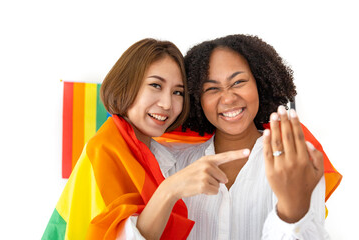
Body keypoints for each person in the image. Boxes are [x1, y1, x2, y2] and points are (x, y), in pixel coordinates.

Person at [126, 34, 341, 239]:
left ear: (260, 83)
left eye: (238, 82)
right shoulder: (171, 165)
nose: (228, 99)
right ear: (197, 98)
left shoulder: (296, 162)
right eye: (211, 88)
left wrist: (292, 211)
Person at [42, 38, 251, 240]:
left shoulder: (161, 155)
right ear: (126, 86)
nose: (167, 104)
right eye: (156, 86)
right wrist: (169, 190)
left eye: (178, 92)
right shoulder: (103, 151)